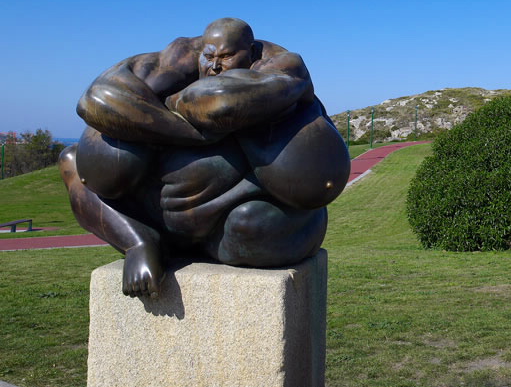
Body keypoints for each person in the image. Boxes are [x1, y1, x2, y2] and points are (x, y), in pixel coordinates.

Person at [60, 18, 350, 298]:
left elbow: (219, 102)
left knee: (251, 223)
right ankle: (139, 241)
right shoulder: (174, 59)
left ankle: (213, 239)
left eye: (226, 56)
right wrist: (188, 132)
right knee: (74, 163)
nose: (214, 66)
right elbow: (96, 98)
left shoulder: (283, 67)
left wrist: (164, 105)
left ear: (250, 53)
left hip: (236, 226)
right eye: (209, 56)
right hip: (156, 219)